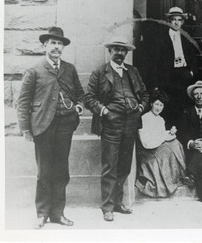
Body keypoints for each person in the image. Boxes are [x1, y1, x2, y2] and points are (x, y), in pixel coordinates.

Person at [16, 27, 84, 229]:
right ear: (45, 45)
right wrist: (26, 130)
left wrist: (78, 106)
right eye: (53, 43)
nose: (56, 47)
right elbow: (23, 102)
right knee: (44, 171)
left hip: (65, 125)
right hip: (42, 127)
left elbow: (80, 93)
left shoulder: (69, 69)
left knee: (61, 171)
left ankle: (58, 213)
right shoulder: (34, 70)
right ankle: (42, 214)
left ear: (63, 47)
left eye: (60, 43)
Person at [85, 37, 149, 222]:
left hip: (130, 124)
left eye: (123, 50)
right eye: (116, 50)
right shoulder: (100, 72)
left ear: (126, 53)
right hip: (111, 125)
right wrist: (104, 110)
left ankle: (118, 203)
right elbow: (89, 98)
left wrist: (140, 108)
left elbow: (145, 94)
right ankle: (107, 207)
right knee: (110, 166)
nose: (120, 53)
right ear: (110, 52)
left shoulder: (133, 71)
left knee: (124, 165)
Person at [145, 7, 198, 126]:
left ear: (183, 22)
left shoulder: (186, 38)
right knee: (168, 106)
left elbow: (193, 57)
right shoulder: (160, 39)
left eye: (179, 20)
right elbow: (153, 62)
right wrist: (156, 83)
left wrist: (191, 72)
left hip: (183, 75)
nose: (176, 22)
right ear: (168, 21)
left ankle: (181, 135)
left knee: (183, 106)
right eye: (173, 19)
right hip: (167, 77)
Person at [136, 88, 188, 198]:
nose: (158, 107)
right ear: (151, 104)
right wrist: (163, 138)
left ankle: (180, 175)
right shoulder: (145, 118)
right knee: (169, 150)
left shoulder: (161, 119)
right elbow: (146, 142)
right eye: (156, 104)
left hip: (157, 146)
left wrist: (170, 132)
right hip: (147, 151)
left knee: (176, 143)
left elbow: (161, 134)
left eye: (161, 105)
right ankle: (175, 178)